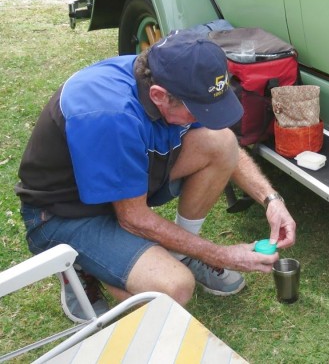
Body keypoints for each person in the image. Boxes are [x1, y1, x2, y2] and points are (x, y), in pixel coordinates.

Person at [15, 29, 297, 323]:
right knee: (174, 287)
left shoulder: (166, 73)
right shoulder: (110, 115)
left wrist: (271, 200)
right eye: (199, 110)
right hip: (65, 214)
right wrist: (221, 254)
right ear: (159, 96)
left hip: (126, 180)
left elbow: (228, 149)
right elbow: (132, 217)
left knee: (221, 142)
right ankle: (79, 266)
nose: (204, 117)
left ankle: (176, 252)